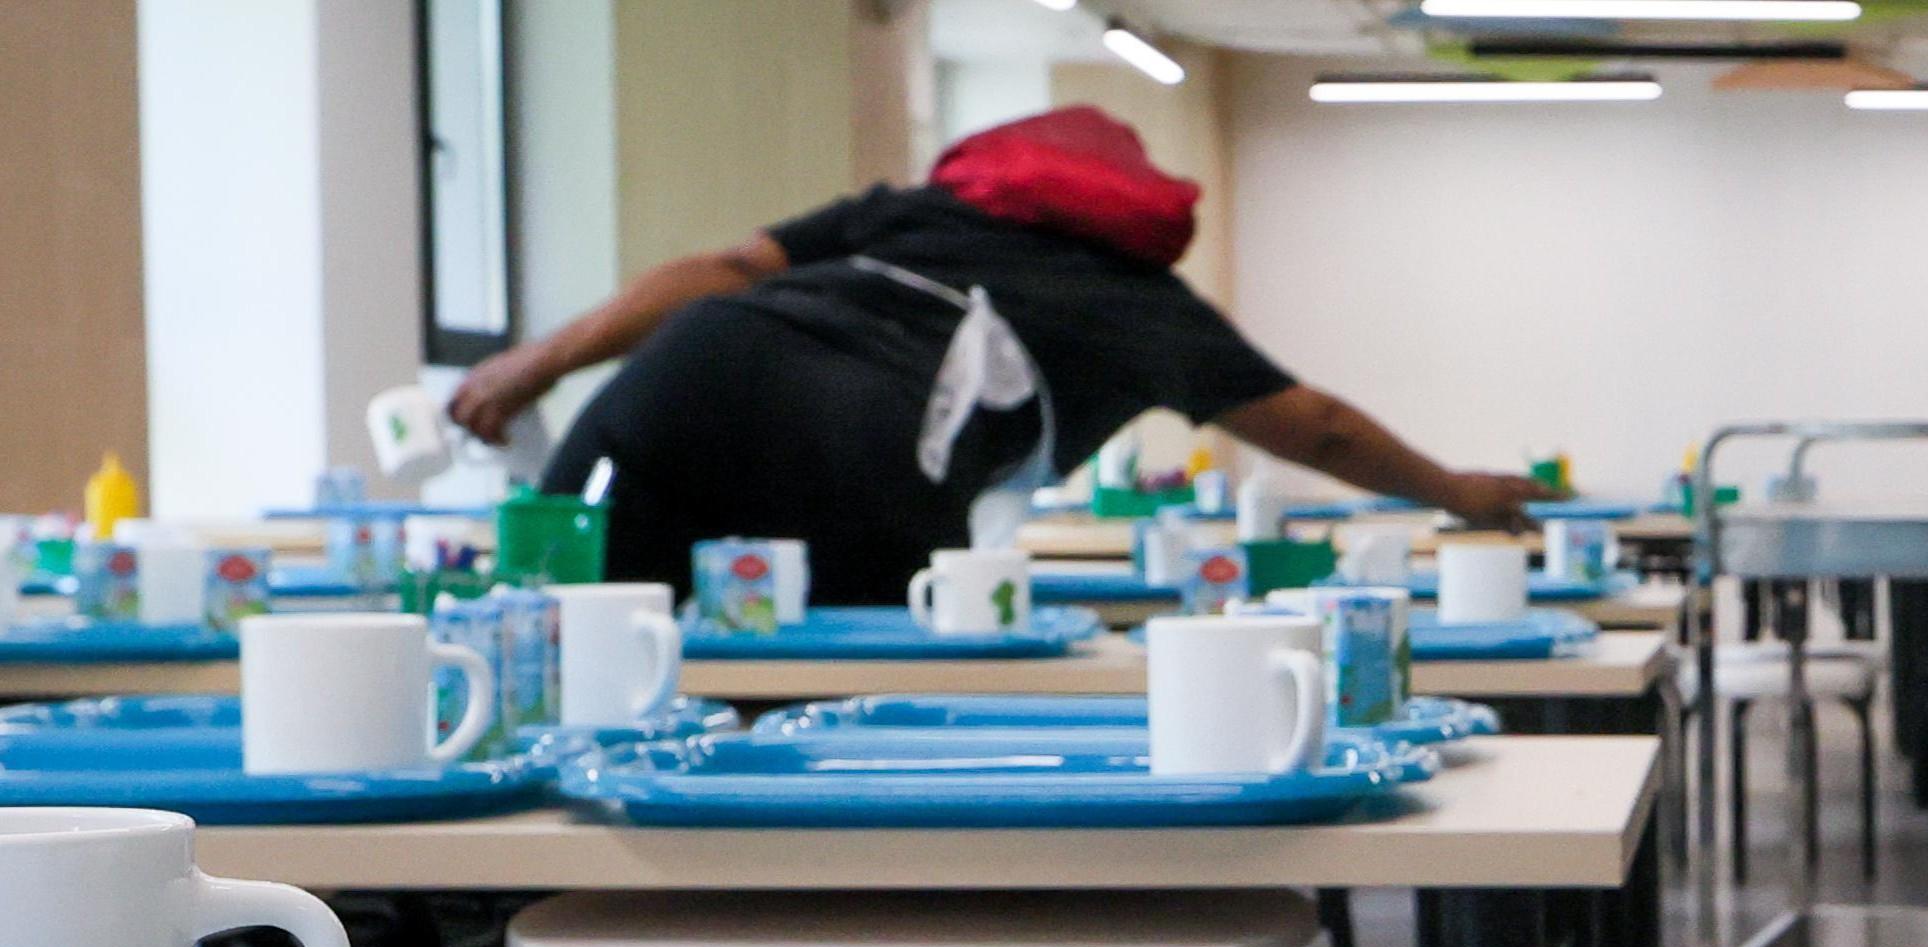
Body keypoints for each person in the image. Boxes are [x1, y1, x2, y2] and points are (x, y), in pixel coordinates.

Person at [445, 106, 1533, 605]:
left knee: (566, 645)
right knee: (833, 708)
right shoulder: (1141, 303)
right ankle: (813, 943)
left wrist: (533, 365)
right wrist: (1462, 493)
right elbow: (1321, 430)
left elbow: (722, 267)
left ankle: (514, 936)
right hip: (869, 438)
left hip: (688, 373)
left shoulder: (915, 212)